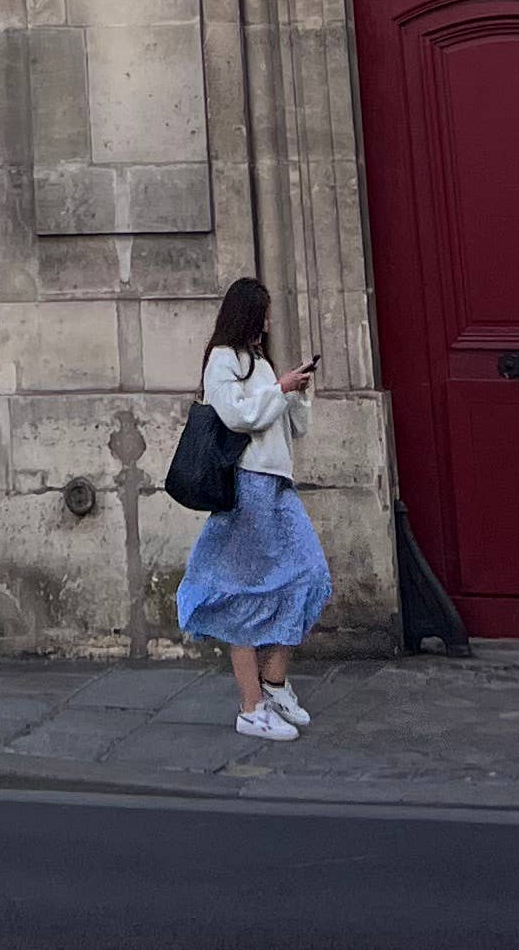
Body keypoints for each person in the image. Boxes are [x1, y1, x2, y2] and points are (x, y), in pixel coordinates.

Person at [175, 275, 333, 740]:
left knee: (310, 575)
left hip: (278, 486)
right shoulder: (223, 361)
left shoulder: (261, 362)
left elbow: (293, 427)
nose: (267, 322)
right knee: (242, 594)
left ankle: (275, 682)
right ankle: (251, 707)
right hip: (247, 487)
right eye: (262, 313)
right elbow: (238, 416)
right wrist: (279, 389)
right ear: (246, 313)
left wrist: (296, 391)